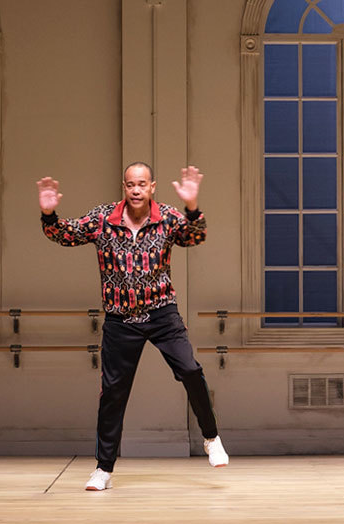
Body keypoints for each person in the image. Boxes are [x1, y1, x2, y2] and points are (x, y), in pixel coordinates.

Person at [37, 162, 227, 490]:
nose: (136, 190)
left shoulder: (166, 217)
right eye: (129, 185)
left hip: (161, 312)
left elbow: (196, 236)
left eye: (141, 184)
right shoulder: (103, 219)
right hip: (120, 319)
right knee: (112, 394)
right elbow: (65, 234)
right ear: (123, 188)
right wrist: (49, 214)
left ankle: (211, 437)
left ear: (152, 187)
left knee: (191, 370)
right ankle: (103, 469)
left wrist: (192, 206)